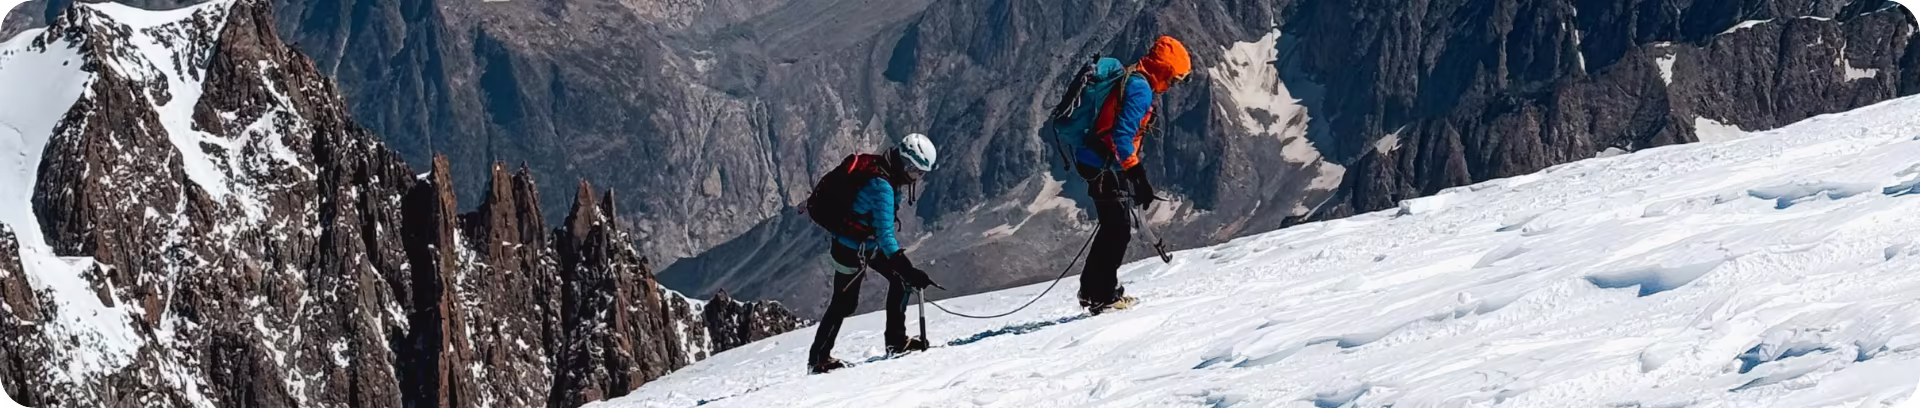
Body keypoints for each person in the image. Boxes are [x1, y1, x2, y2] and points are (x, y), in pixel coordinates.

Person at [1070, 36, 1192, 315]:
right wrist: (1138, 176)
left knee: (1114, 225)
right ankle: (1103, 295)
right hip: (1102, 163)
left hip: (1096, 159)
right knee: (1118, 230)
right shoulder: (1141, 91)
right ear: (1164, 70)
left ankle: (1092, 291)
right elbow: (1122, 137)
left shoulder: (1134, 76)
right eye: (1173, 78)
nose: (1172, 85)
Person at [807, 133, 943, 374]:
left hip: (861, 245)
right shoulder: (882, 187)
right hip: (852, 248)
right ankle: (818, 359)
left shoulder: (883, 172)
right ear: (907, 164)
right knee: (844, 303)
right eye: (916, 172)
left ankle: (896, 342)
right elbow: (886, 238)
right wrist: (909, 270)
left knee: (897, 281)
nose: (917, 178)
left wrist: (906, 271)